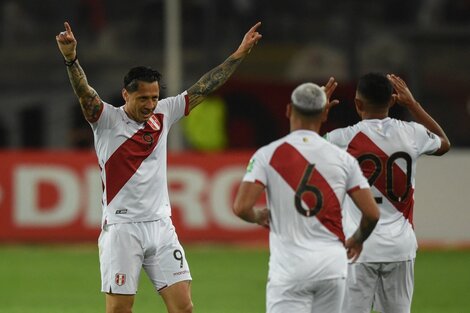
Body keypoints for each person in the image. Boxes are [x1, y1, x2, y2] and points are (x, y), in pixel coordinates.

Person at [56, 20, 262, 313]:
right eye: (143, 98)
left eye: (154, 97)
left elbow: (207, 84)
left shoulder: (165, 112)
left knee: (184, 308)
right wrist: (71, 59)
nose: (151, 104)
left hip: (162, 227)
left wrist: (239, 54)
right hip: (123, 229)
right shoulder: (106, 121)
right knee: (119, 310)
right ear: (126, 94)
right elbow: (84, 92)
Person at [233, 82, 380, 313]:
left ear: (289, 110)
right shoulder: (343, 159)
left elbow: (241, 207)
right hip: (332, 265)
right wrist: (358, 239)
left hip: (290, 267)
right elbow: (371, 213)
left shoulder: (267, 155)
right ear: (324, 114)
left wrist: (258, 216)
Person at [324, 73, 451, 313]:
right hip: (400, 248)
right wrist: (413, 104)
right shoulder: (413, 133)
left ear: (357, 103)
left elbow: (302, 148)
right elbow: (444, 143)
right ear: (393, 101)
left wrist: (316, 114)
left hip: (358, 247)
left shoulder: (342, 139)